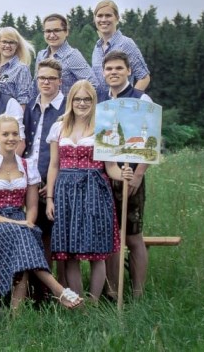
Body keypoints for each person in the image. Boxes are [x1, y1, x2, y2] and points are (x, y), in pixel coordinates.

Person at [0, 115, 81, 309]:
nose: (11, 138)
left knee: (24, 237)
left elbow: (32, 207)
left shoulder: (28, 166)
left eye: (15, 134)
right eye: (5, 134)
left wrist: (28, 222)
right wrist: (17, 224)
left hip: (21, 222)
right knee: (21, 236)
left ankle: (16, 314)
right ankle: (58, 290)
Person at [45, 81, 134, 302]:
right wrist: (49, 198)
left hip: (95, 190)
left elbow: (110, 167)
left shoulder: (103, 127)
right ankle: (79, 304)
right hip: (65, 190)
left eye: (87, 99)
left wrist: (123, 175)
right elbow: (54, 165)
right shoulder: (59, 126)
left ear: (94, 102)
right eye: (78, 99)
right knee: (71, 254)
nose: (82, 103)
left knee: (97, 253)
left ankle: (93, 303)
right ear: (71, 101)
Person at [99, 50, 153, 299]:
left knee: (133, 237)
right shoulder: (100, 101)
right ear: (103, 73)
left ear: (129, 71)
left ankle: (138, 293)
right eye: (109, 69)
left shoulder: (142, 99)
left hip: (132, 177)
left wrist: (139, 174)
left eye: (118, 68)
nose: (113, 73)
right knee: (110, 238)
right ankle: (112, 291)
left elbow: (151, 142)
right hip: (105, 177)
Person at [22, 59, 66, 270]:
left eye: (51, 78)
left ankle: (52, 289)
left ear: (60, 81)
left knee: (51, 236)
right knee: (33, 232)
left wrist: (54, 182)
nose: (46, 82)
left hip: (55, 178)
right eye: (42, 78)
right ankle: (33, 286)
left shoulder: (67, 108)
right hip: (30, 178)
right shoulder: (30, 106)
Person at [91, 0, 151, 96]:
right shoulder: (97, 48)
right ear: (95, 19)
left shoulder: (126, 44)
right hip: (102, 107)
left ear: (117, 18)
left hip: (122, 106)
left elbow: (144, 78)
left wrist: (129, 101)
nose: (103, 19)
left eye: (108, 15)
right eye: (100, 16)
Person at [34, 13, 98, 95]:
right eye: (48, 31)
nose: (52, 35)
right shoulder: (41, 56)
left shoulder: (72, 55)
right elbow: (35, 86)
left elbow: (92, 85)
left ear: (66, 32)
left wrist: (74, 103)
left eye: (56, 30)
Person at [0, 27, 35, 108]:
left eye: (12, 42)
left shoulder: (21, 68)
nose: (7, 45)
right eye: (4, 41)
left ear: (17, 45)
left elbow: (23, 100)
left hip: (8, 117)